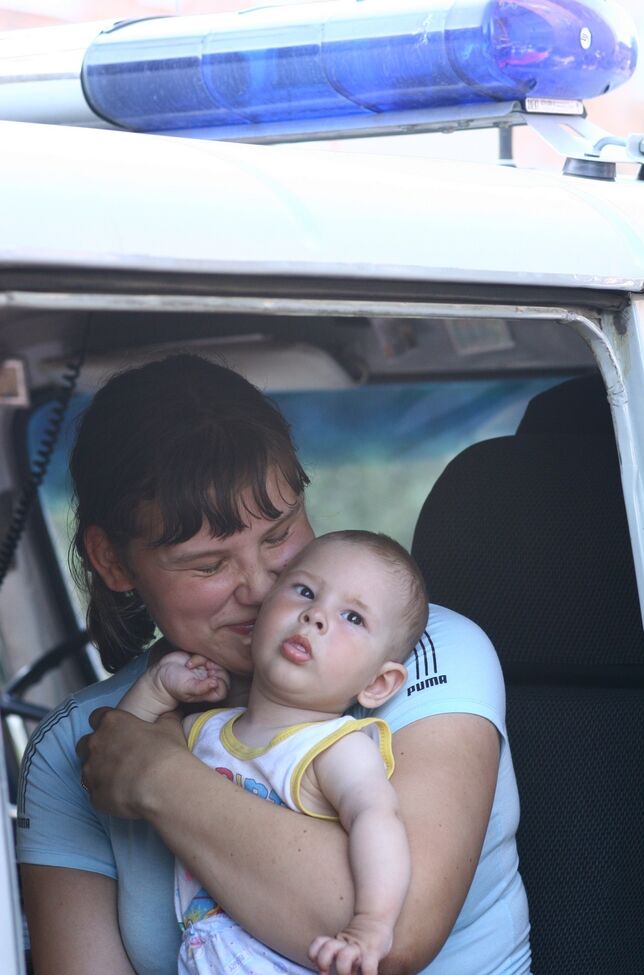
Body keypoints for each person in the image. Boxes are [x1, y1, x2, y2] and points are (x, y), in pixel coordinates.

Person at [17, 354, 531, 975]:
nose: (262, 588)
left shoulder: (422, 656)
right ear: (113, 561)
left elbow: (395, 939)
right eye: (208, 565)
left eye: (278, 534)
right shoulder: (79, 740)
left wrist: (157, 775)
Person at [120, 530, 429, 975]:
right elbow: (121, 760)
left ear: (378, 684)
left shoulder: (333, 747)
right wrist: (156, 689)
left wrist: (371, 924)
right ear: (261, 614)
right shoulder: (204, 729)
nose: (316, 615)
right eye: (304, 591)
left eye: (353, 618)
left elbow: (377, 821)